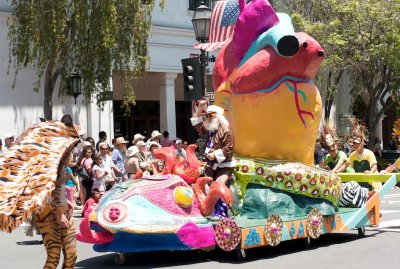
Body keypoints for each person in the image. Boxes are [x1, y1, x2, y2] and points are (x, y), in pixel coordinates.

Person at [191, 101, 236, 218]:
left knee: (219, 185)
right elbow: (196, 124)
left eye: (210, 116)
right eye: (207, 116)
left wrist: (215, 155)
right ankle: (207, 211)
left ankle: (223, 213)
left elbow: (229, 148)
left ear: (218, 117)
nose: (207, 119)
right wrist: (200, 109)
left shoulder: (226, 131)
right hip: (211, 165)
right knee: (205, 184)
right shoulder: (210, 131)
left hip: (225, 166)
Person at [35, 159, 77, 269]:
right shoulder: (45, 163)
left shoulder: (61, 162)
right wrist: (59, 214)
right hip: (48, 213)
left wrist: (65, 201)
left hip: (64, 211)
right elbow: (43, 193)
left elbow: (58, 188)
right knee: (53, 257)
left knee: (71, 255)